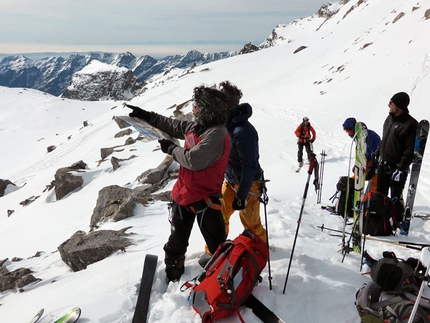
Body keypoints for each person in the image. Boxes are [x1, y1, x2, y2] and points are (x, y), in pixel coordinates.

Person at [125, 85, 229, 283]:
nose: (193, 109)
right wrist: (146, 115)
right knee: (176, 243)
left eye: (196, 106)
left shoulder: (217, 133)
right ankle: (173, 275)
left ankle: (224, 280)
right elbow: (173, 125)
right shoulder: (196, 127)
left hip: (206, 197)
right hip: (184, 194)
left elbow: (194, 161)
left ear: (206, 110)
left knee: (217, 245)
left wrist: (171, 148)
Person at [218, 80, 267, 243]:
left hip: (249, 184)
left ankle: (260, 253)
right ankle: (214, 250)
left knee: (251, 224)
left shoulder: (243, 132)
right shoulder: (225, 125)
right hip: (231, 180)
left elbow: (249, 166)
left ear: (225, 106)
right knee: (219, 217)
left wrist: (241, 194)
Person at [374, 92, 418, 228]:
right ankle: (380, 222)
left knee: (395, 199)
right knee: (380, 196)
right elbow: (385, 139)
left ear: (398, 106)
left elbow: (409, 150)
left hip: (396, 169)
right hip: (383, 165)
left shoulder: (410, 124)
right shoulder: (390, 118)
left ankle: (398, 223)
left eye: (391, 103)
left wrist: (401, 168)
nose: (389, 105)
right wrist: (377, 154)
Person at [342, 117, 381, 191]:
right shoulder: (358, 137)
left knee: (374, 185)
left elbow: (377, 153)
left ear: (354, 129)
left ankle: (373, 197)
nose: (349, 134)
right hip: (366, 163)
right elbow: (361, 153)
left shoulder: (371, 136)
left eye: (349, 132)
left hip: (376, 165)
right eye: (346, 132)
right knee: (354, 180)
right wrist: (357, 165)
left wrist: (373, 167)